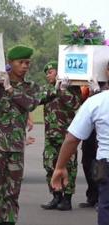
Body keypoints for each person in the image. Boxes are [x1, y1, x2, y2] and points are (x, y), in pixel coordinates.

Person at [0, 45, 48, 225]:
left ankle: (9, 221)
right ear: (10, 63)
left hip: (16, 146)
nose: (25, 66)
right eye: (21, 62)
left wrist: (10, 89)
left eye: (28, 63)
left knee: (13, 190)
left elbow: (31, 104)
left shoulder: (31, 86)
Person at [51, 82, 109, 225]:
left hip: (107, 163)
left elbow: (72, 138)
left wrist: (60, 166)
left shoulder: (97, 101)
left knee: (106, 208)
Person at [40, 61, 81, 211]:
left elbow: (75, 105)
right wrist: (55, 90)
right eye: (46, 73)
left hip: (67, 136)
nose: (47, 75)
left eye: (50, 72)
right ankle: (56, 196)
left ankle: (67, 198)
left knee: (69, 165)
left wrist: (63, 90)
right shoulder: (47, 89)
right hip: (50, 135)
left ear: (59, 72)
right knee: (49, 164)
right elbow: (38, 99)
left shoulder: (71, 88)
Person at [78, 62, 109, 208]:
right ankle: (92, 196)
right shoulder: (89, 84)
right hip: (91, 131)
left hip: (103, 133)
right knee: (87, 163)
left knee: (100, 165)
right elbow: (81, 102)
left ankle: (99, 197)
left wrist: (98, 92)